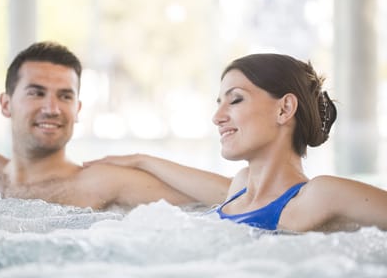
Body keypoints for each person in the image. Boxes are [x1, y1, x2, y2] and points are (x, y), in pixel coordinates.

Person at [85, 53, 387, 232]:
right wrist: (141, 160)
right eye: (219, 103)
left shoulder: (320, 195)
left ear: (284, 109)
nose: (217, 117)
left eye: (236, 100)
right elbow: (203, 185)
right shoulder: (239, 189)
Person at [0, 41, 195, 209]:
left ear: (77, 110)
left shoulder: (100, 182)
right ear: (6, 105)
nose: (52, 109)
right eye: (37, 93)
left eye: (65, 96)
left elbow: (224, 200)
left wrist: (144, 161)